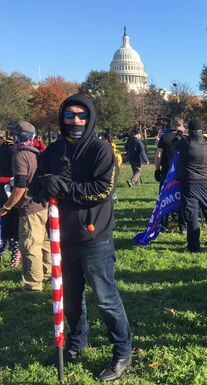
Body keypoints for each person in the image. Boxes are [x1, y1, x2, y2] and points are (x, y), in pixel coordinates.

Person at [34, 94, 132, 381]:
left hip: (94, 238)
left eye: (81, 115)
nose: (75, 121)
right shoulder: (53, 150)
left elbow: (101, 190)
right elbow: (37, 183)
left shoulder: (101, 150)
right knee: (72, 300)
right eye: (69, 115)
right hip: (61, 237)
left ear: (90, 119)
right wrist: (42, 183)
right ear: (62, 118)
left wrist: (63, 187)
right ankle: (77, 342)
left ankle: (122, 352)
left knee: (106, 299)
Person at [0, 122, 50, 292]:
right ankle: (47, 273)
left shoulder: (20, 156)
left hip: (30, 207)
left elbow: (20, 187)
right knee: (44, 242)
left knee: (29, 245)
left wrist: (6, 207)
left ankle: (33, 287)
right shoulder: (38, 153)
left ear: (18, 137)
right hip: (43, 205)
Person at [175, 118, 207, 252]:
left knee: (192, 214)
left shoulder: (186, 142)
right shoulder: (206, 142)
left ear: (189, 130)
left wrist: (179, 132)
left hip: (190, 182)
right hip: (205, 181)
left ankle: (194, 246)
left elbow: (174, 143)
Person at [154, 117, 186, 233]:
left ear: (171, 125)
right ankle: (183, 226)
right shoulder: (184, 138)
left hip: (167, 172)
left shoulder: (164, 137)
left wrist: (157, 170)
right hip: (182, 172)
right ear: (182, 125)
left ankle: (163, 224)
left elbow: (158, 155)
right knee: (182, 198)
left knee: (164, 197)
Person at [0, 127, 20, 267]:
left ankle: (14, 254)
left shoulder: (11, 150)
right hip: (5, 188)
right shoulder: (11, 150)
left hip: (8, 189)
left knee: (11, 222)